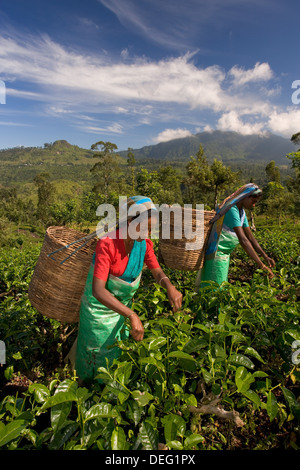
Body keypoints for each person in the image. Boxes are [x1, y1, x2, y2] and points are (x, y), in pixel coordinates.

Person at [75, 196, 182, 384]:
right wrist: (132, 315)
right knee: (94, 360)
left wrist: (169, 286)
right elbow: (98, 290)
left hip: (121, 311)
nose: (149, 233)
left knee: (115, 361)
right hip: (97, 313)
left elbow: (157, 272)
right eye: (146, 227)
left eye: (151, 229)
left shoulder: (144, 244)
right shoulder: (107, 244)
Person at [196, 183, 275, 290]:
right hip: (216, 254)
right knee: (214, 289)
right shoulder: (231, 209)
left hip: (224, 255)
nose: (254, 205)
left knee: (218, 286)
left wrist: (265, 257)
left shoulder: (241, 212)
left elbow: (250, 238)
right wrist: (262, 266)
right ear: (245, 197)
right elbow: (243, 240)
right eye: (253, 201)